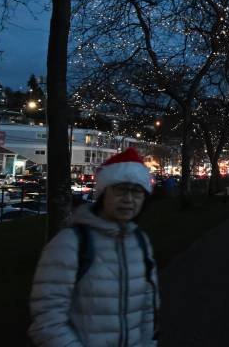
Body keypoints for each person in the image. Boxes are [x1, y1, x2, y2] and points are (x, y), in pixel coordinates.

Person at [28, 147, 159, 346]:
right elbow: (47, 321)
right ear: (104, 193)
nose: (128, 199)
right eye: (121, 190)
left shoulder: (140, 242)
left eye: (137, 192)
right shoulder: (70, 244)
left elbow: (148, 309)